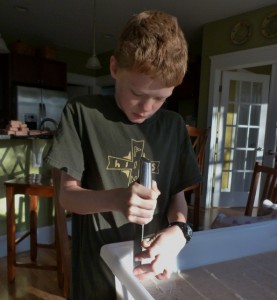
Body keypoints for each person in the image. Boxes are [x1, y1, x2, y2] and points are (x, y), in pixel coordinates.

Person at [45, 10, 201, 299]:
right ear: (115, 68)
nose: (147, 107)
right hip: (95, 271)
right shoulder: (82, 114)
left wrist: (179, 230)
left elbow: (176, 197)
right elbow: (67, 195)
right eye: (137, 93)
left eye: (161, 98)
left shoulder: (173, 126)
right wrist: (117, 198)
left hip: (149, 273)